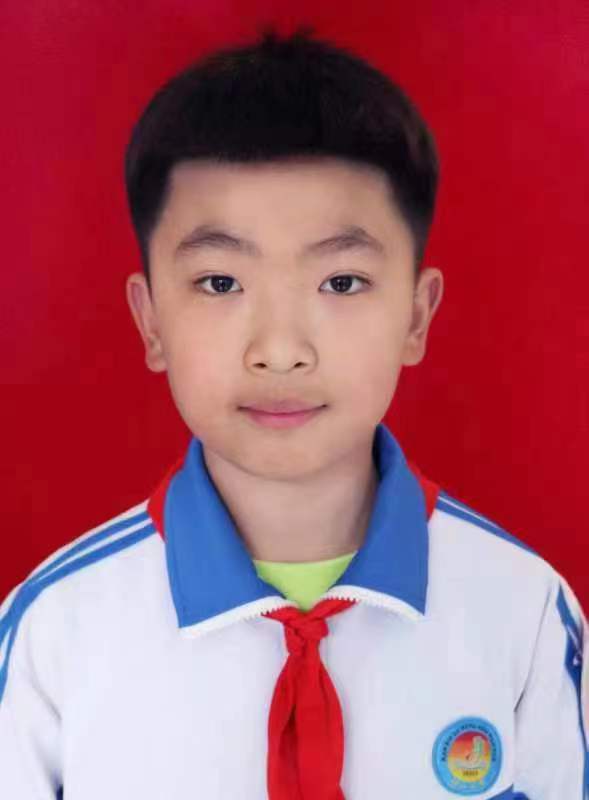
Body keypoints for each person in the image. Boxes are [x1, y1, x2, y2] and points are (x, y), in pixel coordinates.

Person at [0, 23, 586, 800]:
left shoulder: (523, 610)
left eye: (341, 283)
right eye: (219, 283)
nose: (279, 351)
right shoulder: (53, 632)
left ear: (416, 317)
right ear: (150, 322)